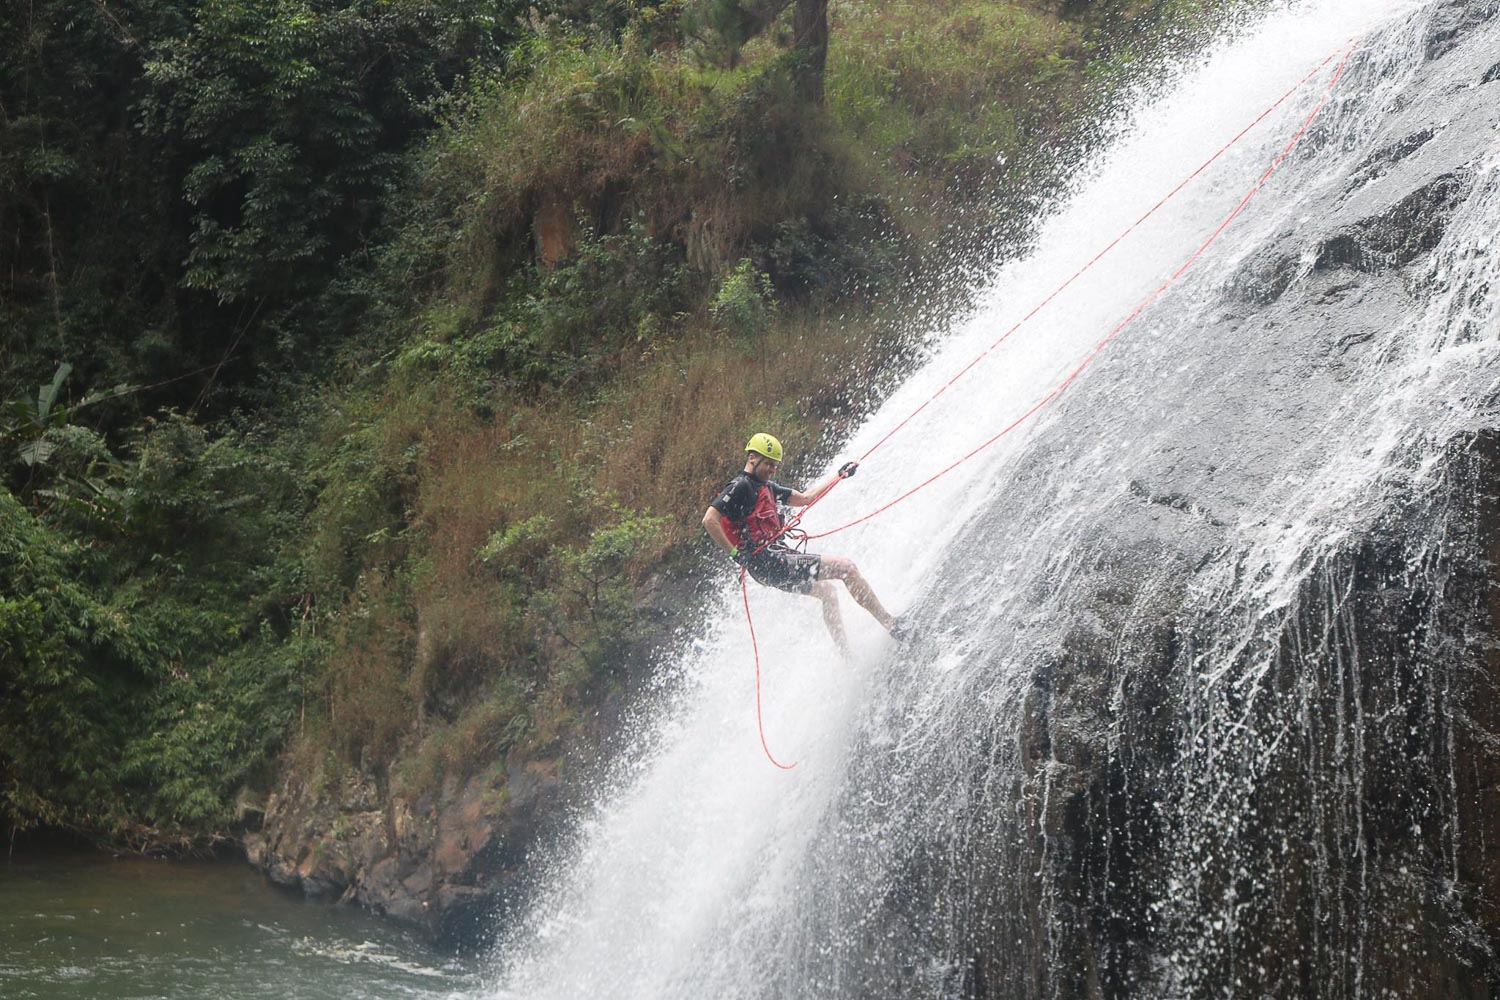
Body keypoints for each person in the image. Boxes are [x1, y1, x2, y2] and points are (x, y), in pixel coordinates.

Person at [702, 432, 906, 655]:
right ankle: (891, 624)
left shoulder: (768, 488)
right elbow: (710, 519)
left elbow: (806, 498)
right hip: (770, 562)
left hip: (768, 568)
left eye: (775, 466)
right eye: (768, 464)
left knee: (828, 593)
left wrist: (839, 476)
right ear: (752, 458)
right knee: (846, 568)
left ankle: (847, 656)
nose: (772, 470)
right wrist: (735, 554)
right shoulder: (741, 486)